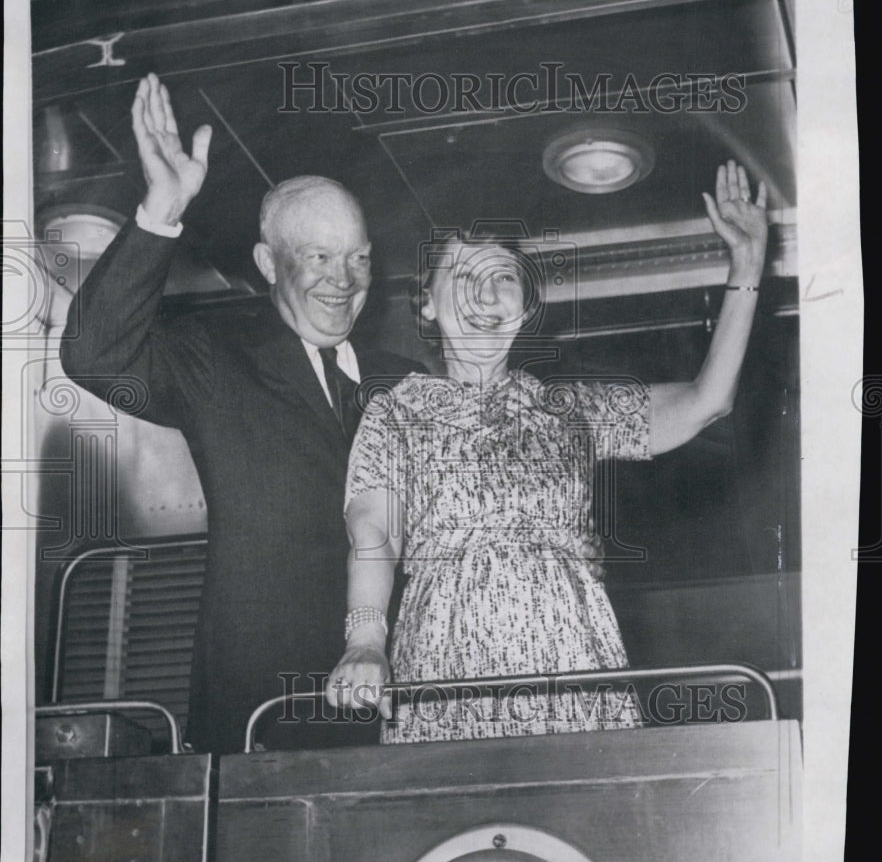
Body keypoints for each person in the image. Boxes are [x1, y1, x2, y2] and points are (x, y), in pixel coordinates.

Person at [327, 161, 768, 743]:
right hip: (445, 666)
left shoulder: (571, 410)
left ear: (526, 307)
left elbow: (706, 402)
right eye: (461, 275)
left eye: (504, 277)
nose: (486, 293)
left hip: (574, 664)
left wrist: (748, 265)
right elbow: (374, 534)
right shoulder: (397, 411)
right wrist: (363, 641)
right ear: (426, 304)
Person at [60, 74, 423, 755]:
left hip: (406, 711)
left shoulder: (408, 385)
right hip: (265, 718)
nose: (344, 281)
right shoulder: (217, 364)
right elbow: (94, 356)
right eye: (319, 258)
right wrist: (161, 209)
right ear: (268, 264)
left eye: (360, 259)